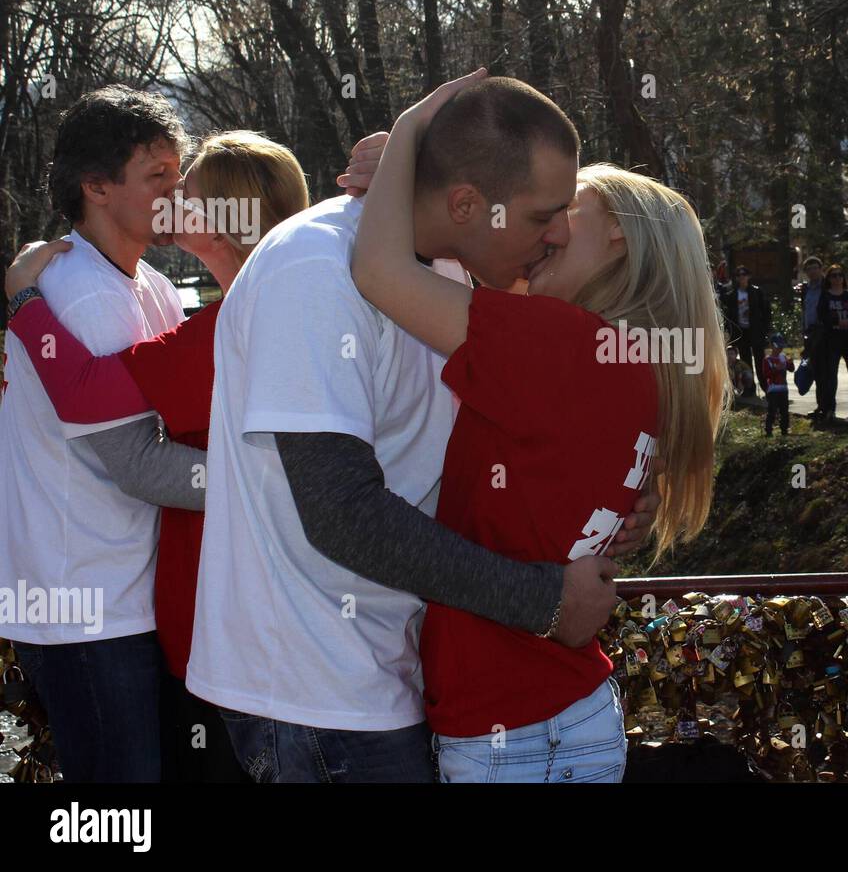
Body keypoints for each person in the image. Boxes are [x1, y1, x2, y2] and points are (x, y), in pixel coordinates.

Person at [183, 72, 661, 783]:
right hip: (318, 694)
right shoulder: (314, 271)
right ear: (468, 203)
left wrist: (623, 509)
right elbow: (341, 512)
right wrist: (544, 602)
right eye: (540, 216)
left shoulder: (453, 273)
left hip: (389, 677)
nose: (556, 233)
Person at [350, 73, 728, 782]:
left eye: (563, 211)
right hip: (572, 708)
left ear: (617, 232)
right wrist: (440, 180)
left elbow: (377, 270)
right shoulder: (632, 360)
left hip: (505, 729)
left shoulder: (562, 344)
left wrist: (409, 133)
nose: (544, 230)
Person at [2, 130, 320, 781]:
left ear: (231, 219)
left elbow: (89, 393)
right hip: (245, 628)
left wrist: (23, 302)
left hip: (238, 637)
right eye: (164, 180)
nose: (175, 199)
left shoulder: (232, 324)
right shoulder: (286, 303)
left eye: (189, 190)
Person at [0, 86, 200, 782]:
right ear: (96, 185)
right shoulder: (78, 290)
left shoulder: (153, 285)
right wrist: (276, 485)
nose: (178, 191)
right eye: (158, 177)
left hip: (126, 594)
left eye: (180, 172)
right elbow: (139, 465)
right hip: (83, 605)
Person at [722, 266, 770, 396]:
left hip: (755, 331)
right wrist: (731, 333)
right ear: (736, 278)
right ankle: (749, 388)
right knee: (745, 361)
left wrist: (765, 329)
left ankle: (766, 387)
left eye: (744, 274)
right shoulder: (732, 295)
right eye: (739, 275)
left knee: (760, 361)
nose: (741, 277)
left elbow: (766, 311)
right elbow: (729, 316)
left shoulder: (756, 292)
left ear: (748, 276)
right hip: (742, 332)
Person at [814, 264, 848, 420]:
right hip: (831, 339)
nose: (837, 278)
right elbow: (822, 315)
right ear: (829, 279)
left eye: (840, 275)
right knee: (831, 375)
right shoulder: (825, 296)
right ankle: (830, 408)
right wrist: (837, 320)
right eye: (833, 275)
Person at [796, 256, 826, 415]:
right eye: (809, 269)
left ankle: (827, 406)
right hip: (810, 333)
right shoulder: (806, 289)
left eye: (815, 268)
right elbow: (804, 310)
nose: (813, 271)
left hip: (823, 333)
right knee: (813, 369)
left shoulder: (826, 287)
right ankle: (821, 406)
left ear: (821, 269)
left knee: (824, 372)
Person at [760, 333, 794, 436]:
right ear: (772, 346)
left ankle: (784, 430)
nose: (780, 348)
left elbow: (791, 369)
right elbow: (766, 375)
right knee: (772, 411)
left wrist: (790, 363)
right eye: (777, 346)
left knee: (785, 411)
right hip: (773, 390)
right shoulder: (767, 360)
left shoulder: (783, 357)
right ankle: (769, 431)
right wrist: (776, 369)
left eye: (781, 346)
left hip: (783, 389)